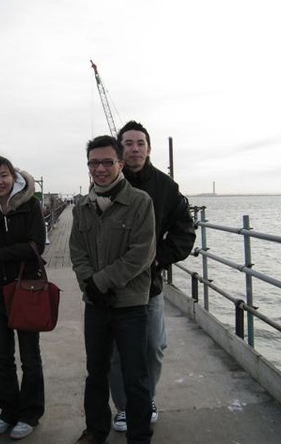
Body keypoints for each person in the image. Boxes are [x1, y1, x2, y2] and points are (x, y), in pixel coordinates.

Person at [109, 120, 196, 432]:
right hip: (114, 285)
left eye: (140, 143)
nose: (134, 149)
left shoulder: (166, 186)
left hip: (150, 284)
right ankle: (123, 406)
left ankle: (147, 398)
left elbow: (185, 230)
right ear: (120, 148)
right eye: (128, 143)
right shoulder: (108, 182)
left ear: (148, 148)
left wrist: (159, 258)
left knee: (154, 347)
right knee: (117, 352)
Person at [70, 135, 156, 444]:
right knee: (96, 371)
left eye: (107, 162)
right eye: (94, 163)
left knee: (135, 376)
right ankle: (95, 430)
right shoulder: (82, 206)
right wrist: (89, 284)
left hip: (130, 304)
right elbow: (77, 251)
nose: (100, 169)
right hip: (95, 304)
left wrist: (102, 281)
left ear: (120, 163)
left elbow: (142, 254)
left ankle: (139, 436)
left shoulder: (140, 202)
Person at [0, 155, 47, 441]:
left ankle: (30, 413)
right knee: (3, 356)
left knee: (30, 356)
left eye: (3, 175)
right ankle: (7, 411)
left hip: (25, 288)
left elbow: (35, 246)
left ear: (13, 176)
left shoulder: (30, 205)